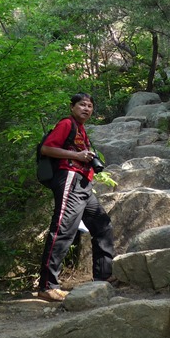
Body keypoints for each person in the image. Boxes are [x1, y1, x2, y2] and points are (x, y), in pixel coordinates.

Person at [38, 92, 115, 302]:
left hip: (83, 184)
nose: (87, 109)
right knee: (64, 228)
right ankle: (47, 285)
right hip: (70, 179)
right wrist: (77, 156)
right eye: (82, 105)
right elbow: (47, 148)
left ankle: (103, 276)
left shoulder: (81, 130)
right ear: (72, 107)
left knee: (103, 226)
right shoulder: (66, 124)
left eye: (90, 106)